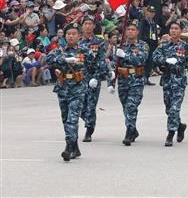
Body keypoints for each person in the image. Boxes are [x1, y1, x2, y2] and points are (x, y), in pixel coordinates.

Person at [45, 22, 102, 161]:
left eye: (74, 34)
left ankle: (69, 147)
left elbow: (98, 64)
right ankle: (75, 146)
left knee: (73, 118)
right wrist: (63, 60)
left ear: (79, 36)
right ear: (65, 36)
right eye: (68, 34)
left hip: (78, 88)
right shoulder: (60, 50)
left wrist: (97, 78)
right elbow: (48, 59)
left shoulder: (85, 50)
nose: (71, 36)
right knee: (65, 118)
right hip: (63, 87)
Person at [152, 21, 188, 147]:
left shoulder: (185, 47)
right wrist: (164, 60)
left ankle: (170, 133)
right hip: (166, 81)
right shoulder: (163, 46)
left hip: (179, 81)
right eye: (171, 28)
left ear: (181, 31)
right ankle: (180, 126)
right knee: (168, 109)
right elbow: (154, 58)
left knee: (175, 108)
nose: (173, 31)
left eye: (176, 28)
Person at [109, 20, 149, 146]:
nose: (130, 31)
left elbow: (140, 59)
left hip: (136, 79)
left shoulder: (143, 45)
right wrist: (110, 82)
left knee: (131, 106)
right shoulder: (120, 46)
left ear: (137, 32)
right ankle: (133, 128)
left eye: (133, 29)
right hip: (123, 79)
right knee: (125, 106)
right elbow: (113, 65)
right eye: (128, 29)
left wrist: (125, 55)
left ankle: (129, 131)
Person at [78, 16, 107, 142]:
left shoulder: (99, 42)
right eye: (85, 23)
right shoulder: (78, 42)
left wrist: (96, 77)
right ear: (82, 26)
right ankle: (88, 120)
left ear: (94, 26)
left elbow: (101, 61)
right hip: (80, 77)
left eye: (90, 23)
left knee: (91, 104)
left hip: (93, 76)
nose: (88, 26)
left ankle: (89, 129)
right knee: (79, 106)